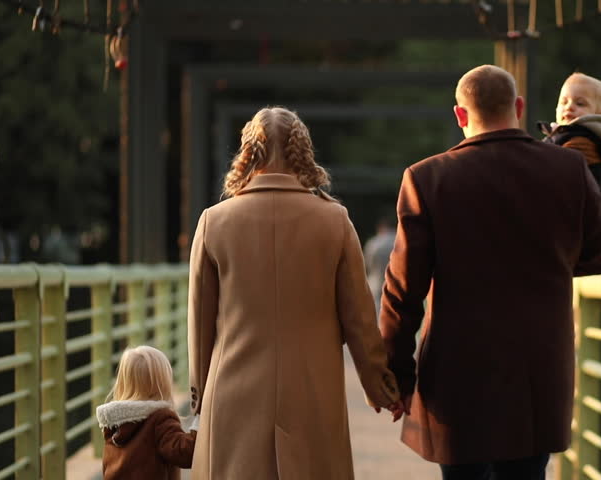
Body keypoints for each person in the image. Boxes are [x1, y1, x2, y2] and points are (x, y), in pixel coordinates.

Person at [379, 65, 601, 480]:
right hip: (537, 373)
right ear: (519, 108)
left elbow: (403, 291)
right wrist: (549, 262)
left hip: (456, 377)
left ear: (460, 115)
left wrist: (397, 376)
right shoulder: (569, 169)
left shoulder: (425, 178)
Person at [186, 106, 401, 479]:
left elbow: (200, 324)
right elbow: (360, 321)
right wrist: (380, 385)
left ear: (247, 153)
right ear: (303, 149)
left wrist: (200, 393)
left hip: (234, 396)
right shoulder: (335, 220)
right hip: (313, 394)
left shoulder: (213, 222)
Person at [95, 346, 197, 480]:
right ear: (163, 384)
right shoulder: (160, 419)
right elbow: (184, 454)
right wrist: (199, 426)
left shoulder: (112, 424)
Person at [537, 72, 601, 186]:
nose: (569, 107)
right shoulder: (562, 134)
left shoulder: (585, 141)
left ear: (598, 115)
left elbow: (558, 168)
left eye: (580, 103)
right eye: (564, 102)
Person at [363, 214, 397, 316]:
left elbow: (367, 266)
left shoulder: (373, 243)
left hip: (376, 285)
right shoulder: (399, 242)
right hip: (395, 287)